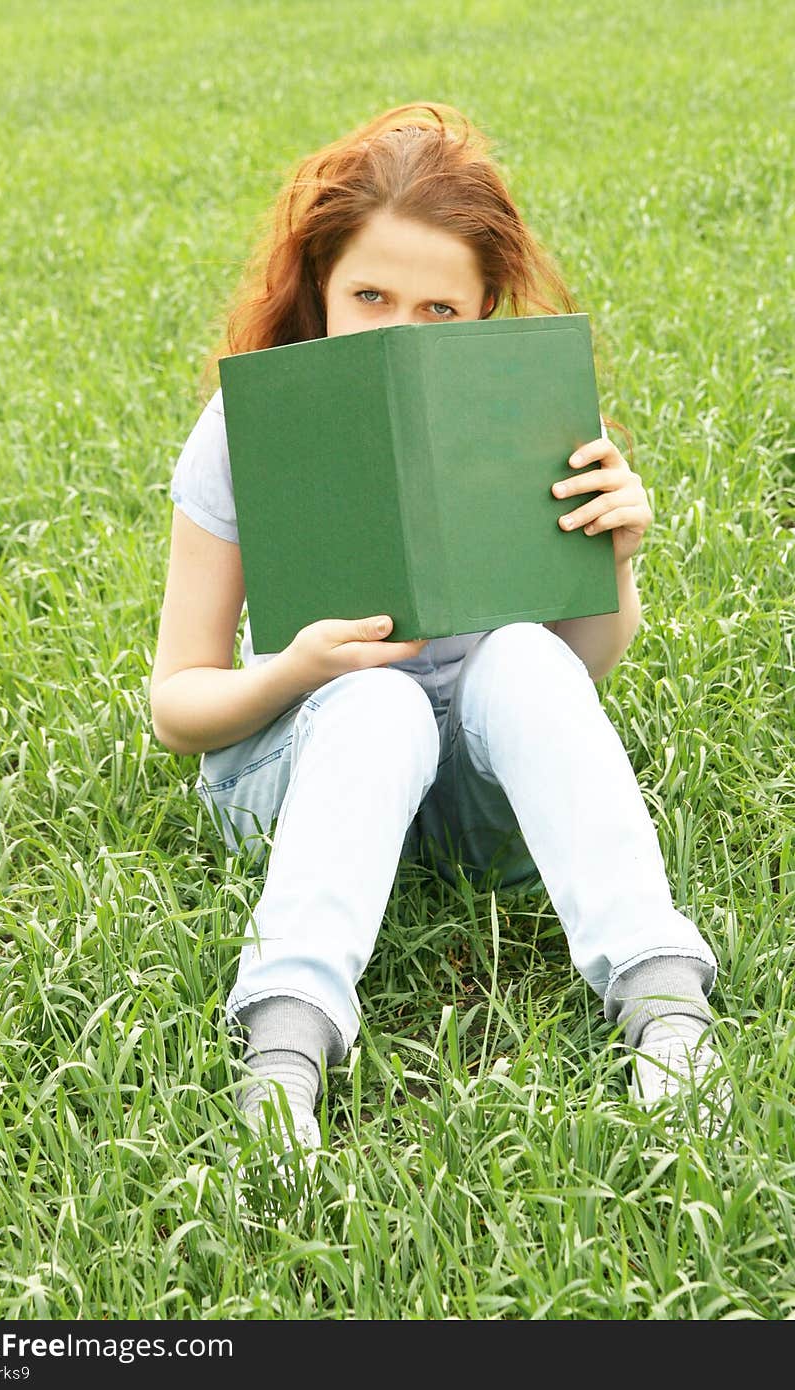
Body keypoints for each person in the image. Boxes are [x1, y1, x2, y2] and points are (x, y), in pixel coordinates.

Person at [150, 103, 726, 1158]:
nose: (399, 331)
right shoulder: (248, 429)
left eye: (438, 310)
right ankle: (285, 1048)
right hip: (309, 764)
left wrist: (618, 561)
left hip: (476, 800)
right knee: (371, 702)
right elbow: (178, 702)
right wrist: (295, 670)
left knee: (519, 653)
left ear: (483, 311)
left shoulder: (531, 421)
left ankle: (662, 999)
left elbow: (575, 673)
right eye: (369, 295)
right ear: (319, 291)